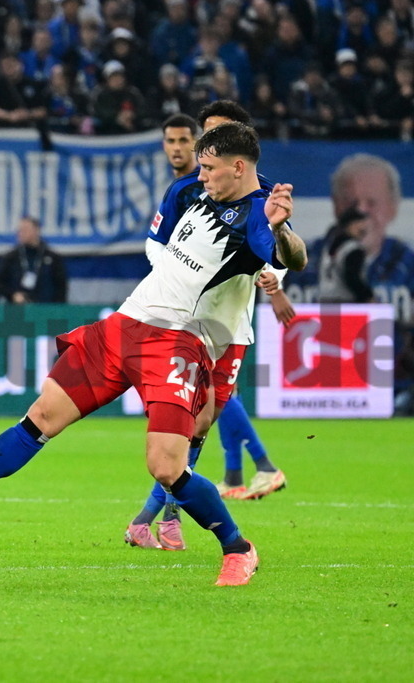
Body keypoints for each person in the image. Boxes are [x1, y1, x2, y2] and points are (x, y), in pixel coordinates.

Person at [0, 122, 308, 587]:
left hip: (176, 342)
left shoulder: (256, 213)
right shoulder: (195, 193)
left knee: (167, 468)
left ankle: (238, 548)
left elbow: (288, 256)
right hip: (123, 326)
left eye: (210, 168)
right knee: (41, 417)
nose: (202, 175)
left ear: (238, 167)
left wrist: (281, 230)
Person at [126, 103, 293, 553]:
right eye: (193, 140)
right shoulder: (184, 192)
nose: (200, 151)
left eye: (208, 141)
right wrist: (178, 286)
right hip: (182, 321)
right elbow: (156, 244)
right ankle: (167, 514)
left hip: (229, 325)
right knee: (192, 418)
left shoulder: (257, 196)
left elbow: (275, 248)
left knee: (204, 419)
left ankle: (163, 516)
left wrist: (277, 283)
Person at [286, 154, 414, 412]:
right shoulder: (352, 248)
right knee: (359, 361)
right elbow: (354, 278)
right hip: (349, 309)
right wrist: (369, 299)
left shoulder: (332, 244)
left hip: (327, 307)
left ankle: (337, 401)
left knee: (335, 363)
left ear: (393, 206)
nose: (365, 224)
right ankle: (366, 402)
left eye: (372, 203)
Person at [0, 216, 67, 304]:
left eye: (25, 230)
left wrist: (57, 309)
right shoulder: (11, 258)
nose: (20, 233)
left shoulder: (53, 258)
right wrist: (12, 295)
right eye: (19, 230)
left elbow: (61, 287)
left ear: (37, 231)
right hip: (17, 312)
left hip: (46, 311)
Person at [317, 206, 374, 303]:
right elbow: (352, 278)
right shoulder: (353, 248)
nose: (363, 228)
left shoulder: (330, 246)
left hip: (325, 302)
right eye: (358, 224)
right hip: (345, 303)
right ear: (348, 225)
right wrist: (368, 296)